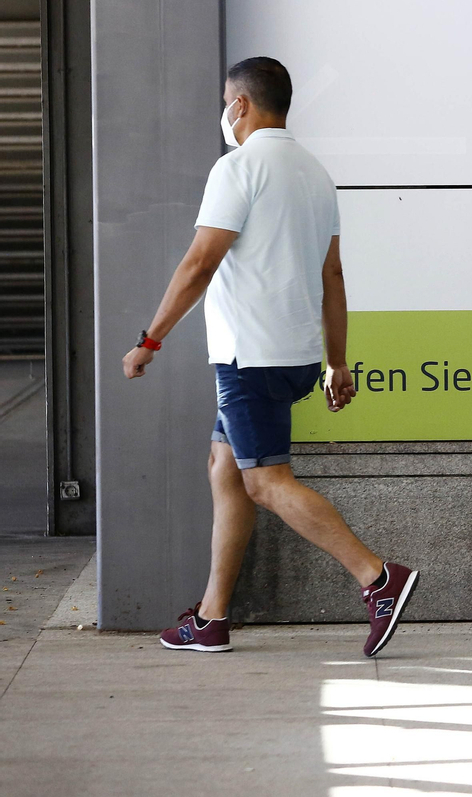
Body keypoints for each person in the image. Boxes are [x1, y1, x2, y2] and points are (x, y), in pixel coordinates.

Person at [122, 57, 420, 657]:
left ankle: (377, 577)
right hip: (295, 357)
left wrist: (149, 340)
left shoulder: (237, 169)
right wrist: (338, 362)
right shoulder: (314, 173)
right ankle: (212, 617)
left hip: (248, 359)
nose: (224, 114)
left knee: (265, 481)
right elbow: (332, 275)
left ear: (240, 105)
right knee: (225, 467)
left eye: (227, 104)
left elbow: (199, 264)